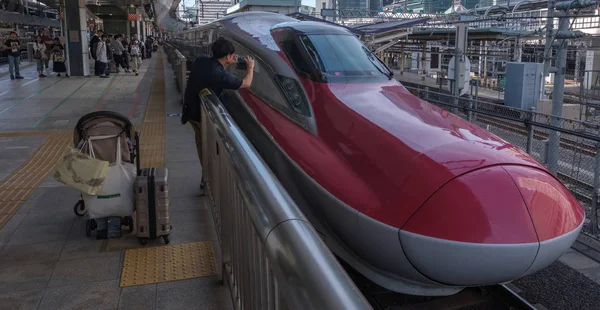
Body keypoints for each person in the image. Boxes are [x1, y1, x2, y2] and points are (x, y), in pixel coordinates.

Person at [182, 37, 255, 194]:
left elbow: (212, 71)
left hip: (191, 110)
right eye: (232, 55)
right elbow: (246, 83)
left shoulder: (202, 60)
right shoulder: (219, 74)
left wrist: (228, 63)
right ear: (228, 56)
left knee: (202, 145)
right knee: (208, 149)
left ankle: (206, 178)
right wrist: (250, 68)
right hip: (201, 116)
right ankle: (208, 181)